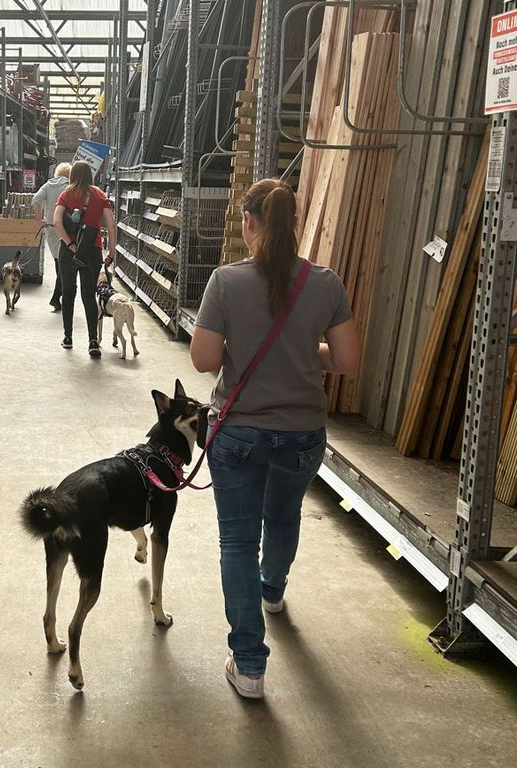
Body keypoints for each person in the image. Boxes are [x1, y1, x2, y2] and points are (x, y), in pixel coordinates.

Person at [190, 178, 359, 699]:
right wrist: (309, 356)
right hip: (303, 434)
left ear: (248, 224)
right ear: (294, 222)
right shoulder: (326, 283)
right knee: (283, 516)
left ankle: (250, 667)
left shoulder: (226, 281)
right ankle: (273, 591)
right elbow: (349, 362)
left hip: (239, 432)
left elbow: (205, 361)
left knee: (238, 541)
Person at [53, 161, 117, 358]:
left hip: (69, 252)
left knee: (68, 293)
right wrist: (111, 252)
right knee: (89, 296)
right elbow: (111, 224)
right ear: (90, 175)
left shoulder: (66, 194)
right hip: (92, 251)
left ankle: (68, 337)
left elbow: (56, 221)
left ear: (72, 175)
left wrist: (70, 244)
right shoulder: (99, 194)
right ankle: (92, 341)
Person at [32, 162, 71, 311]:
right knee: (64, 264)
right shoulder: (69, 186)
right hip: (64, 228)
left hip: (49, 227)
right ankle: (56, 297)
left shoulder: (48, 185)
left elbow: (35, 200)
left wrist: (39, 219)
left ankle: (57, 298)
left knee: (58, 261)